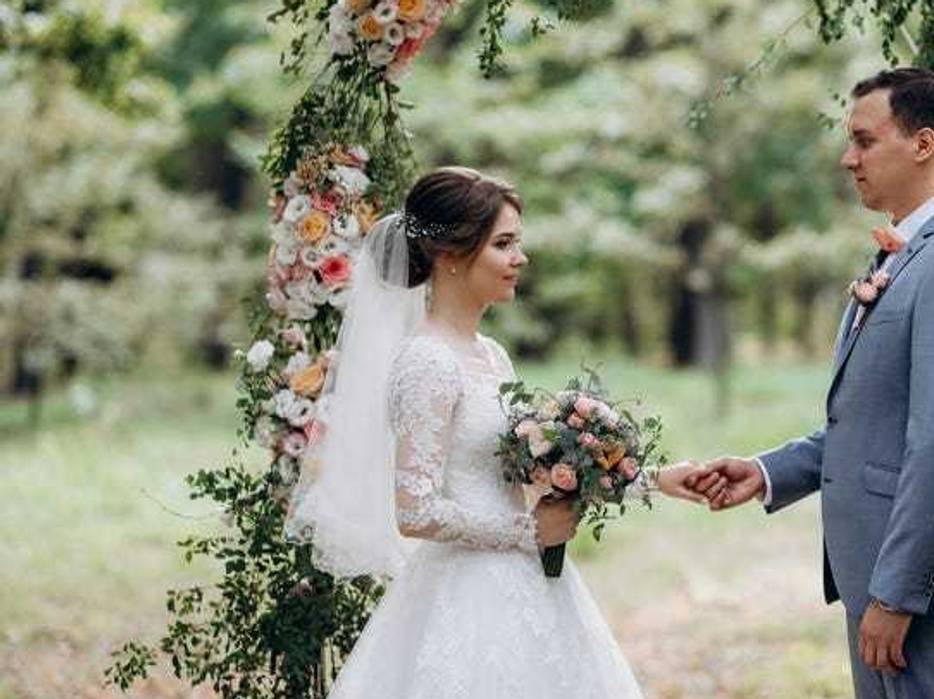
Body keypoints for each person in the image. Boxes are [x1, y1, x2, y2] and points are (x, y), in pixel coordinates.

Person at [287, 166, 705, 698]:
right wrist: (526, 534)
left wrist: (653, 479)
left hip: (531, 585)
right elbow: (415, 510)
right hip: (465, 597)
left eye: (517, 243)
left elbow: (530, 466)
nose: (520, 258)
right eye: (503, 244)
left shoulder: (491, 355)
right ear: (450, 255)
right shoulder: (427, 363)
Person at [689, 68, 934, 699]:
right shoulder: (905, 252)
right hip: (880, 577)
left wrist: (898, 593)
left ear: (923, 144)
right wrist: (765, 472)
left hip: (930, 593)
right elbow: (874, 420)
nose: (848, 159)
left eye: (864, 141)